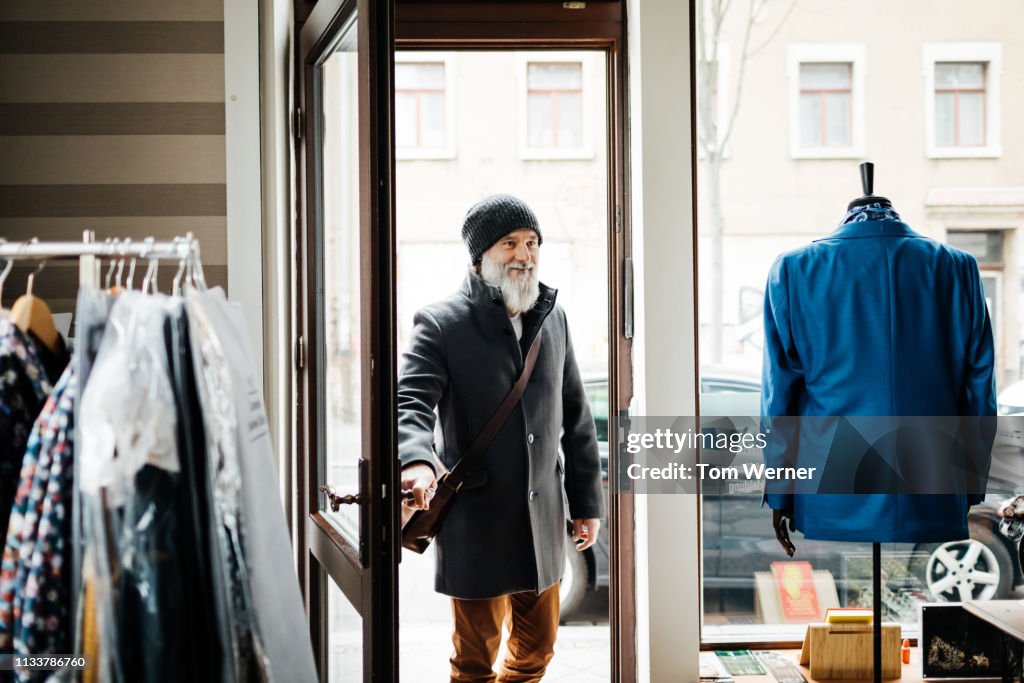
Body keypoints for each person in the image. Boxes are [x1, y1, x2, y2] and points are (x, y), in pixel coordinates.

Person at [398, 194, 605, 683]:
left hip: (543, 520)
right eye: (509, 243)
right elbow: (409, 405)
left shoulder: (553, 318)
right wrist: (417, 461)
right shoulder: (441, 323)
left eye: (532, 243)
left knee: (537, 652)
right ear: (480, 256)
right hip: (476, 520)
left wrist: (587, 503)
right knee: (473, 663)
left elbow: (575, 417)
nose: (524, 254)